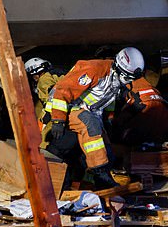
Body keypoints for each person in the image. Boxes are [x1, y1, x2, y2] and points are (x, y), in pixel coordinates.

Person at [48, 47, 145, 188]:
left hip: (87, 111)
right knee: (89, 124)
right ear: (118, 68)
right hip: (66, 107)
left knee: (105, 149)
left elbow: (108, 97)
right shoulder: (94, 70)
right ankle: (99, 173)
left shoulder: (116, 77)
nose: (127, 81)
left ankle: (98, 180)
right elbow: (63, 90)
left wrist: (128, 100)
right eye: (127, 77)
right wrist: (58, 119)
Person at [111, 76, 168, 145]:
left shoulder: (123, 89)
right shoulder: (143, 82)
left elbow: (123, 117)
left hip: (145, 116)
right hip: (164, 118)